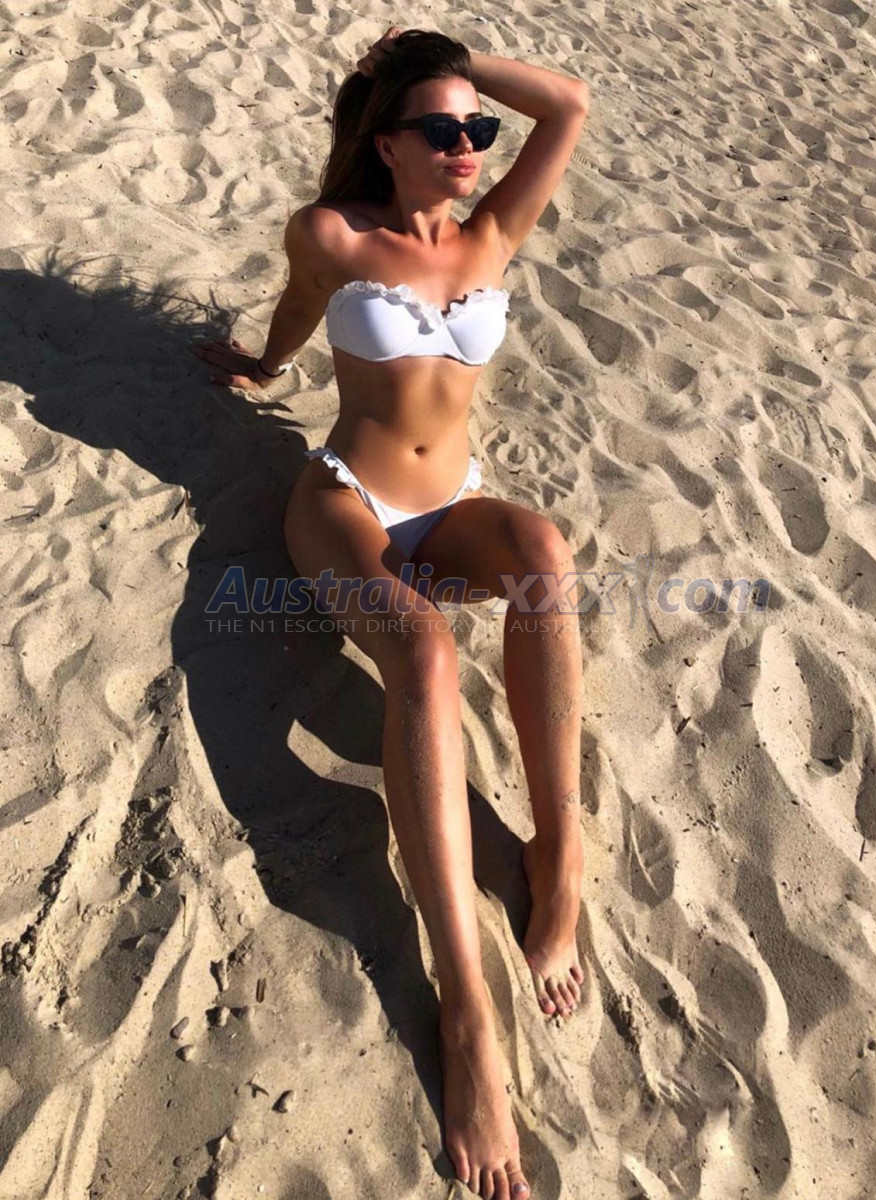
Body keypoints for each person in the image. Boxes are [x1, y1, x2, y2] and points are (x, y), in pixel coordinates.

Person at [191, 26, 590, 1200]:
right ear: (386, 144)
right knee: (421, 648)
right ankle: (466, 1012)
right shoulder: (334, 233)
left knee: (544, 553)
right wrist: (263, 367)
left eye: (477, 128)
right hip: (346, 505)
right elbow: (298, 304)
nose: (468, 144)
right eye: (442, 128)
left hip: (452, 505)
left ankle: (558, 856)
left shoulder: (492, 232)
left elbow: (566, 102)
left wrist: (457, 56)